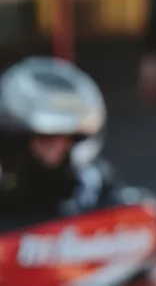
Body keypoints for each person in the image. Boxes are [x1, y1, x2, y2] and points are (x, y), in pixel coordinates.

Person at [0, 57, 108, 216]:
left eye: (65, 136)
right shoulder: (7, 183)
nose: (56, 145)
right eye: (46, 137)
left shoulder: (91, 183)